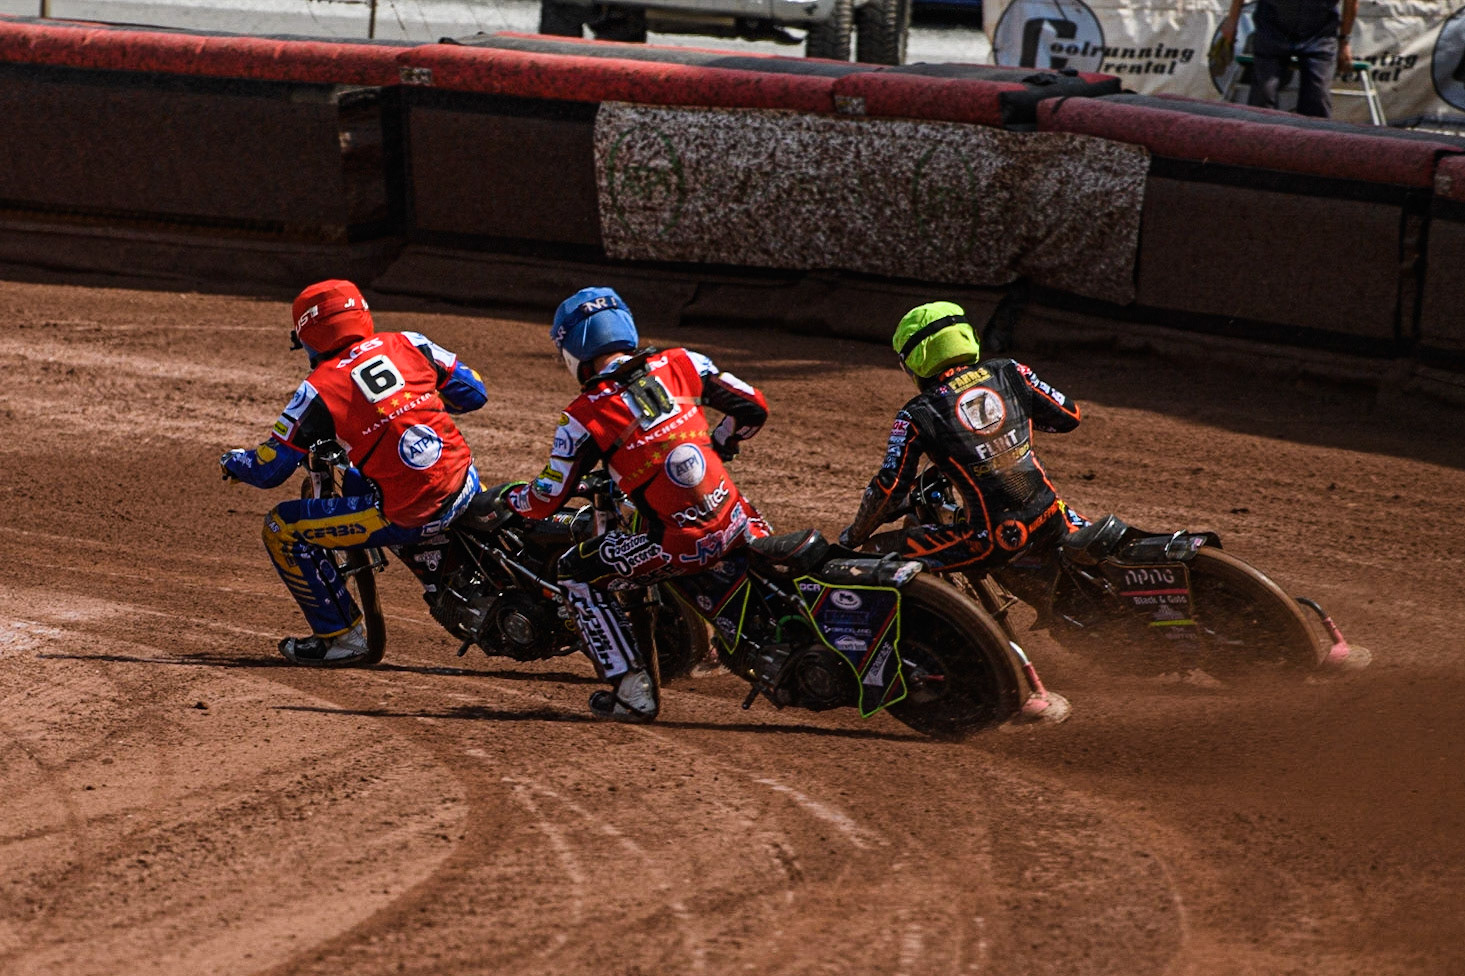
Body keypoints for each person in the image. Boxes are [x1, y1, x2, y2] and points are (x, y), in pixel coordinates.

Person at [493, 286, 770, 723]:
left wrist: (513, 499)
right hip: (739, 519)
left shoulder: (584, 414)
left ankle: (632, 693)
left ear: (573, 348)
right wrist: (721, 443)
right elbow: (754, 407)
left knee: (576, 572)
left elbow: (547, 498)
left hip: (678, 546)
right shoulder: (684, 361)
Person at [220, 279, 488, 666]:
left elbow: (269, 470)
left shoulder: (317, 389)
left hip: (413, 511)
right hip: (465, 482)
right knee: (372, 478)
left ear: (309, 335)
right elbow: (474, 393)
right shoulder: (410, 342)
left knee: (281, 527)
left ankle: (341, 638)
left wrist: (233, 461)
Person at [839, 300, 1084, 573]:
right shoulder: (1011, 371)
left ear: (914, 361)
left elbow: (888, 488)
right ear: (968, 336)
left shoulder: (917, 414)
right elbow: (1069, 417)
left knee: (877, 550)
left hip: (993, 540)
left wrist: (854, 536)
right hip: (1053, 516)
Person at [1219, 0, 1357, 118]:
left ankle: (1312, 144)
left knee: (1317, 96)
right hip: (1272, 28)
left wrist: (1344, 41)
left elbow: (1351, 2)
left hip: (1319, 35)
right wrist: (1232, 20)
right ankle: (1260, 143)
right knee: (1263, 94)